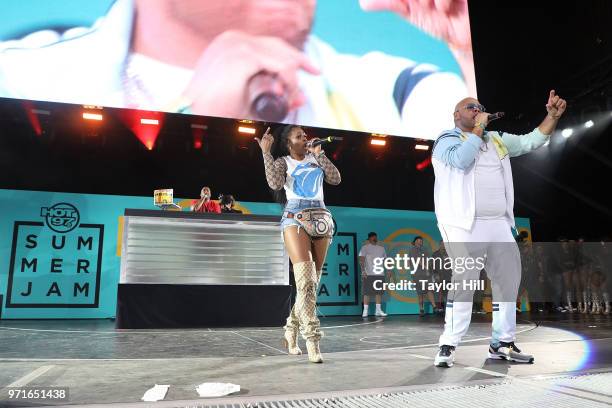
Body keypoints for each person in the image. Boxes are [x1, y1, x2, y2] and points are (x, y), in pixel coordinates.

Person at [0, 0, 471, 139]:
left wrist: (473, 49)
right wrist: (199, 120)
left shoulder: (396, 88)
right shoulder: (16, 74)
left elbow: (508, 183)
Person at [431, 89, 567, 368]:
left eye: (480, 107)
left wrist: (551, 117)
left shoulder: (496, 140)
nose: (477, 109)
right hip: (463, 225)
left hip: (499, 224)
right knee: (465, 282)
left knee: (507, 282)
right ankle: (448, 343)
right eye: (470, 107)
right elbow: (461, 161)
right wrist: (479, 127)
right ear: (457, 115)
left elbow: (532, 141)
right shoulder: (446, 140)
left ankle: (502, 343)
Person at [255, 125, 341, 363]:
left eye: (305, 135)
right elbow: (274, 183)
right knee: (305, 283)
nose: (305, 139)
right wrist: (266, 152)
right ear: (289, 143)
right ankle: (312, 341)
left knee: (310, 287)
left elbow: (335, 179)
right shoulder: (283, 162)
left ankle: (290, 329)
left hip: (322, 218)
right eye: (299, 136)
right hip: (295, 218)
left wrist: (320, 154)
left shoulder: (316, 157)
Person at [359, 232, 388, 317]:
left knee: (378, 293)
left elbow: (385, 260)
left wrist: (389, 270)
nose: (374, 238)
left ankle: (378, 311)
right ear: (369, 239)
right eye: (372, 237)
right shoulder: (365, 248)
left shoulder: (381, 248)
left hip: (380, 274)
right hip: (369, 273)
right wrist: (363, 271)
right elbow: (361, 259)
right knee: (366, 293)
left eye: (375, 237)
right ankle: (365, 311)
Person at [409, 236, 438, 315]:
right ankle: (421, 309)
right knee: (420, 293)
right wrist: (426, 268)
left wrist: (429, 270)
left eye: (421, 241)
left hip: (426, 274)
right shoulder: (413, 249)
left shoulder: (424, 250)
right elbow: (418, 261)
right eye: (418, 240)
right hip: (417, 274)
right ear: (415, 242)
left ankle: (434, 307)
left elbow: (428, 260)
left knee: (429, 289)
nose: (420, 242)